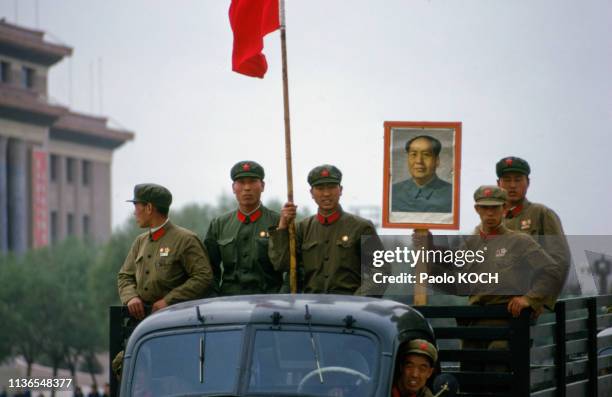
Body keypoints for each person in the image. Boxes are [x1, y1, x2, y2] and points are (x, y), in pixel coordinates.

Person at [269, 165, 383, 295]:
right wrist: (283, 226)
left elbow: (380, 270)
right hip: (310, 308)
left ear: (340, 190)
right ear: (311, 193)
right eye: (320, 188)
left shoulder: (361, 227)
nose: (326, 193)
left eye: (331, 187)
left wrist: (359, 300)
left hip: (349, 308)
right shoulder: (302, 229)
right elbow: (281, 264)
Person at [118, 183, 214, 319]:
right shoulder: (140, 241)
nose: (134, 212)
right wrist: (131, 297)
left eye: (136, 206)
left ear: (149, 208)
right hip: (141, 322)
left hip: (176, 320)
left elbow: (204, 277)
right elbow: (125, 275)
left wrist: (169, 300)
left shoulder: (185, 239)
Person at [496, 156, 570, 308]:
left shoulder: (541, 214)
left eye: (518, 180)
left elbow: (559, 261)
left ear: (527, 182)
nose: (512, 186)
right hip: (493, 306)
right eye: (507, 180)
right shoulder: (492, 219)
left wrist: (533, 299)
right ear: (498, 184)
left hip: (525, 308)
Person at [204, 161, 283, 295]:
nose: (247, 188)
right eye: (241, 182)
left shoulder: (279, 222)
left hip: (269, 303)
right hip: (229, 302)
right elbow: (209, 269)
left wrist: (282, 299)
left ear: (262, 186)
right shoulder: (219, 224)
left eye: (252, 181)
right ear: (233, 187)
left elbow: (290, 268)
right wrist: (213, 299)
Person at [391, 135, 452, 213]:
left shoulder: (451, 194)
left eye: (426, 154)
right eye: (413, 154)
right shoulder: (393, 192)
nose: (419, 161)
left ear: (437, 160)